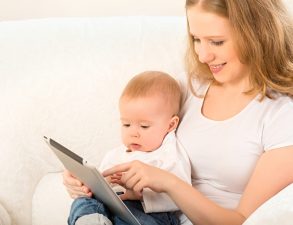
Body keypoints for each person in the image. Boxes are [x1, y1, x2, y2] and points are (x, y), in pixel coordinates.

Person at [64, 0, 293, 224]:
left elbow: (240, 220)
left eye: (216, 42)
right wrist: (94, 183)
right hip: (147, 211)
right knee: (87, 205)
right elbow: (142, 143)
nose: (203, 56)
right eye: (196, 39)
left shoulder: (282, 115)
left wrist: (168, 183)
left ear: (258, 34)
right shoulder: (190, 88)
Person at [67, 71, 191, 225]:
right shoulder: (115, 155)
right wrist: (87, 184)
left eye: (144, 126)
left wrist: (140, 195)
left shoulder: (170, 154)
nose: (133, 133)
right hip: (111, 209)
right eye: (126, 124)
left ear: (170, 125)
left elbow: (183, 197)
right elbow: (102, 184)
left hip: (150, 215)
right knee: (84, 202)